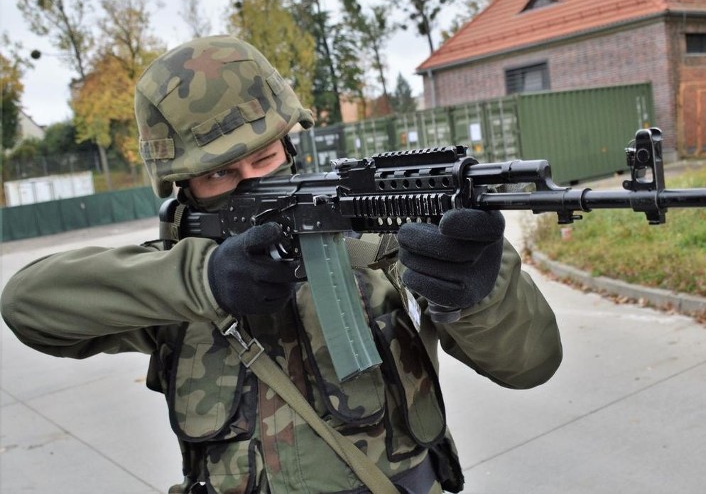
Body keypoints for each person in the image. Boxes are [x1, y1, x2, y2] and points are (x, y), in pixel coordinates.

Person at [1, 35, 562, 493]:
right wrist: (205, 279)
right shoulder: (176, 283)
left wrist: (478, 291)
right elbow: (27, 304)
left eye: (265, 158)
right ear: (184, 187)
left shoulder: (388, 244)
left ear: (291, 147)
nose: (253, 184)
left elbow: (532, 365)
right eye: (220, 174)